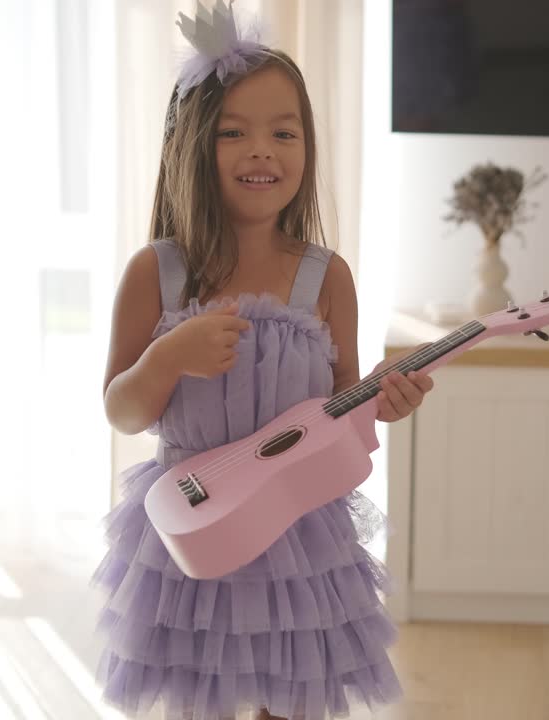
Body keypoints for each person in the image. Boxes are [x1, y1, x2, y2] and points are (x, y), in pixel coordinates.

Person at [95, 2, 433, 719]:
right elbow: (121, 410)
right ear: (191, 144)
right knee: (201, 697)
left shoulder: (326, 277)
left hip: (297, 529)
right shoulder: (156, 273)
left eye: (285, 132)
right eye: (233, 133)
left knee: (290, 695)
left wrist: (383, 401)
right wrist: (166, 358)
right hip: (191, 519)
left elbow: (342, 412)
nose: (262, 151)